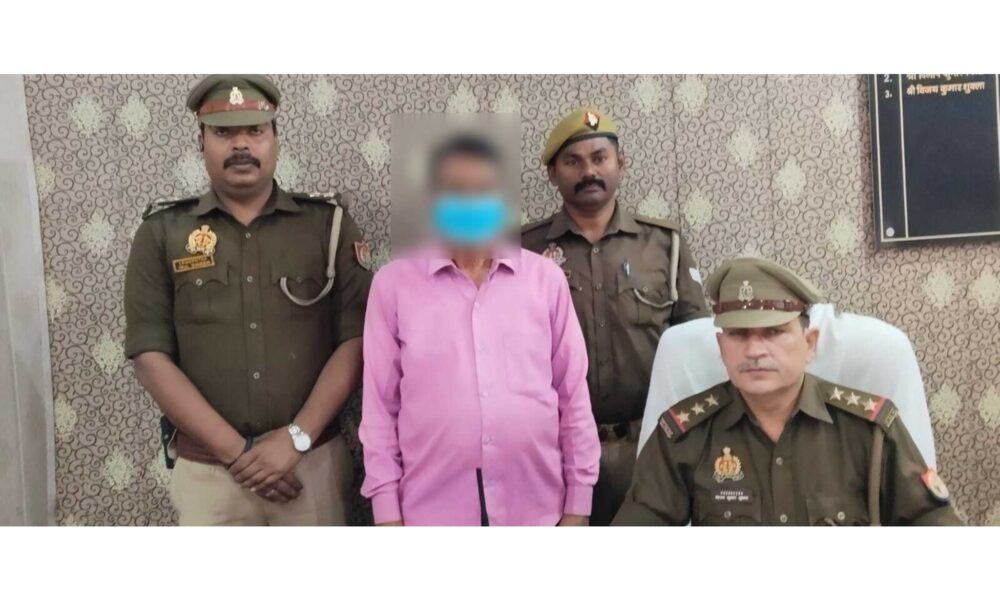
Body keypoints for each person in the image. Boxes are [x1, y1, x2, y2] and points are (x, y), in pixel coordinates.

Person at [124, 75, 372, 525]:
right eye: (223, 132)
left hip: (311, 464)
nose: (241, 144)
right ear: (201, 142)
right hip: (208, 473)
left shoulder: (328, 226)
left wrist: (295, 438)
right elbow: (149, 357)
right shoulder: (162, 232)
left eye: (255, 131)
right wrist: (237, 453)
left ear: (276, 139)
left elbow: (356, 342)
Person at [360, 134, 600, 525]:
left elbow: (573, 396)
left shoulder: (545, 280)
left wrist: (579, 504)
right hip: (431, 513)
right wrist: (386, 512)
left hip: (538, 509)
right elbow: (379, 410)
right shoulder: (392, 285)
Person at [612, 257, 962, 526]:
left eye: (774, 332)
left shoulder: (870, 431)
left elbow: (933, 523)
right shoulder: (683, 435)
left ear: (809, 343)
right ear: (721, 347)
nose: (754, 351)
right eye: (738, 335)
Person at [521, 107, 709, 525]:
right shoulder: (522, 252)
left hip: (651, 450)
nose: (588, 171)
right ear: (552, 174)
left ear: (620, 164)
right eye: (573, 161)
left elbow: (697, 350)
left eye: (599, 158)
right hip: (553, 454)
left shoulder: (665, 245)